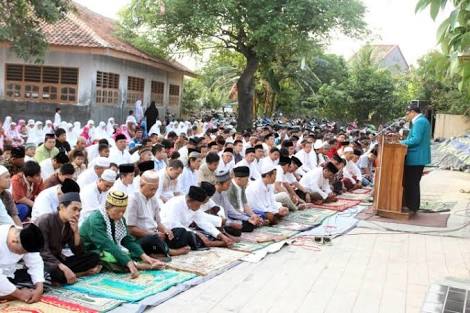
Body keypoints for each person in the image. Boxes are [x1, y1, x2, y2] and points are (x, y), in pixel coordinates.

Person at [80, 191, 165, 277]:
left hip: (109, 247)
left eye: (123, 211)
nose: (121, 215)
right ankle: (143, 266)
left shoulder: (120, 219)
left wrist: (144, 256)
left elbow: (127, 239)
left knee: (131, 251)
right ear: (107, 208)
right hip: (91, 250)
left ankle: (137, 264)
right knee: (113, 257)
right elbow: (106, 244)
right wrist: (127, 262)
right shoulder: (96, 220)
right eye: (117, 211)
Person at [36, 192, 101, 285]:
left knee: (94, 256)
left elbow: (79, 252)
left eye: (79, 210)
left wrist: (76, 232)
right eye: (74, 209)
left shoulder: (69, 224)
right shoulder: (45, 220)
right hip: (43, 262)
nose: (77, 213)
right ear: (62, 207)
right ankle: (81, 274)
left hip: (58, 260)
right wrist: (63, 267)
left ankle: (70, 274)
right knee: (57, 274)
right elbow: (42, 251)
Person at [127, 171, 190, 259]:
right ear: (142, 185)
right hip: (141, 238)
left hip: (155, 236)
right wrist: (152, 234)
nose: (153, 192)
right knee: (152, 239)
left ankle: (160, 251)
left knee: (180, 232)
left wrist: (166, 230)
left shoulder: (154, 199)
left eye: (156, 189)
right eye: (151, 189)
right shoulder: (133, 199)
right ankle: (170, 251)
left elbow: (158, 223)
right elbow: (130, 229)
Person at [160, 186, 233, 250]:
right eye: (198, 205)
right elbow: (173, 225)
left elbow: (203, 222)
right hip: (170, 232)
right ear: (189, 201)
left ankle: (215, 242)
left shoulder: (194, 207)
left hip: (186, 230)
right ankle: (216, 243)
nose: (199, 207)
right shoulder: (175, 204)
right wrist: (196, 233)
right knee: (187, 235)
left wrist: (221, 235)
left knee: (207, 233)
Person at [0, 223, 45, 303]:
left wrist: (39, 289)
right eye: (21, 252)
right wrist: (20, 294)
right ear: (13, 241)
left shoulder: (25, 236)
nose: (21, 254)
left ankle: (10, 294)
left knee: (46, 276)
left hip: (9, 274)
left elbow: (35, 263)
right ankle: (13, 294)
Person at [400, 103, 431, 213]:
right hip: (417, 157)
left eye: (407, 114)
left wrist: (400, 142)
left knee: (411, 183)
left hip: (416, 157)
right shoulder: (421, 121)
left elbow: (416, 140)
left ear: (413, 112)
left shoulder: (419, 122)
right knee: (413, 182)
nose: (406, 116)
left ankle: (412, 207)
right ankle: (412, 206)